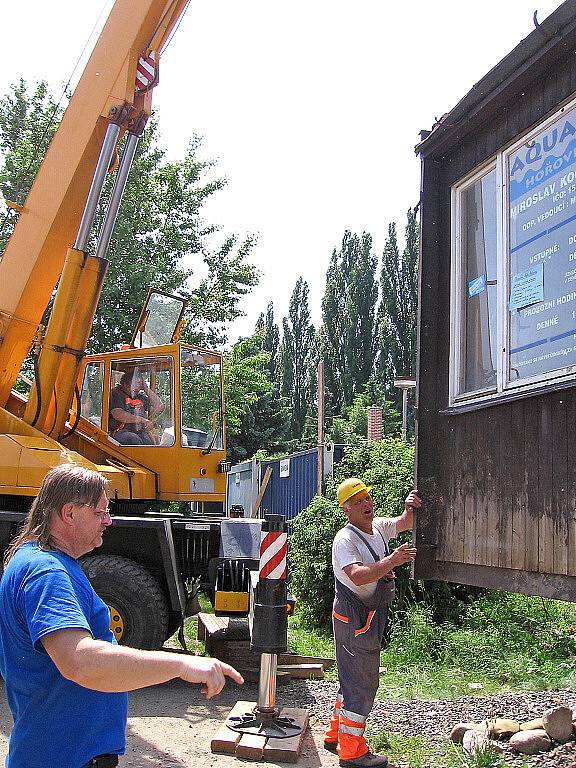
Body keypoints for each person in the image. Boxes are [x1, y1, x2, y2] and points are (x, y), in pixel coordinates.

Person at [0, 464, 243, 768]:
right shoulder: (47, 573)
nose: (108, 520)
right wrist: (181, 663)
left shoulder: (38, 561)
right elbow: (80, 661)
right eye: (100, 512)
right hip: (62, 758)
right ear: (69, 513)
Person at [324, 478, 421, 768]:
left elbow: (405, 522)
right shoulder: (345, 540)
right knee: (362, 682)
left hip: (364, 616)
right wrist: (392, 561)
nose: (365, 504)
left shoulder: (377, 526)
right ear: (346, 510)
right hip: (354, 618)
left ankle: (335, 735)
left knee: (350, 678)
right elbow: (357, 575)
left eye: (366, 498)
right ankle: (352, 752)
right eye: (357, 502)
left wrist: (409, 507)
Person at [108, 370, 163, 445]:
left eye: (140, 385)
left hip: (139, 432)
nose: (138, 388)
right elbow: (118, 414)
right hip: (120, 431)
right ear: (125, 384)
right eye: (135, 384)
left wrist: (146, 388)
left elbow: (159, 406)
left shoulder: (140, 397)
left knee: (153, 441)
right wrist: (142, 420)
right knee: (133, 439)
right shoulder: (116, 393)